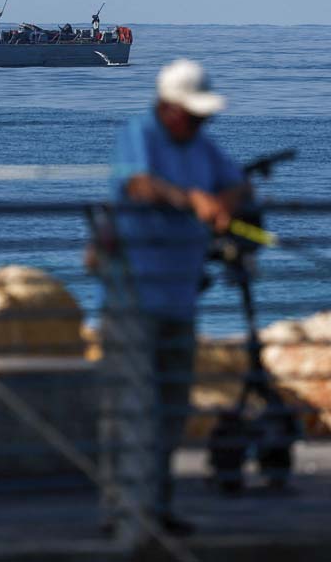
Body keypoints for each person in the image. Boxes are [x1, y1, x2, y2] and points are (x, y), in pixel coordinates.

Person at [103, 58, 246, 536]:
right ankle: (123, 511)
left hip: (181, 298)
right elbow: (138, 184)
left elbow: (236, 182)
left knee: (171, 409)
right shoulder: (138, 133)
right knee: (132, 409)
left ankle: (158, 506)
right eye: (196, 113)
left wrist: (225, 202)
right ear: (170, 109)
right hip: (134, 296)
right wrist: (191, 200)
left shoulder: (202, 146)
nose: (204, 122)